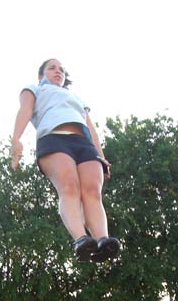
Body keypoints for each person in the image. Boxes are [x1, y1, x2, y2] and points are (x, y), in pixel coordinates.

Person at [11, 58, 120, 262]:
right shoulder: (35, 89)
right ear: (41, 75)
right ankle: (81, 239)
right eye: (52, 68)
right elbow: (25, 110)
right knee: (69, 187)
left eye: (61, 69)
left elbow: (91, 129)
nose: (58, 71)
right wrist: (16, 139)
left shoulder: (76, 97)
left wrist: (101, 156)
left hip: (84, 143)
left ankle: (103, 240)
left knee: (92, 192)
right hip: (54, 138)